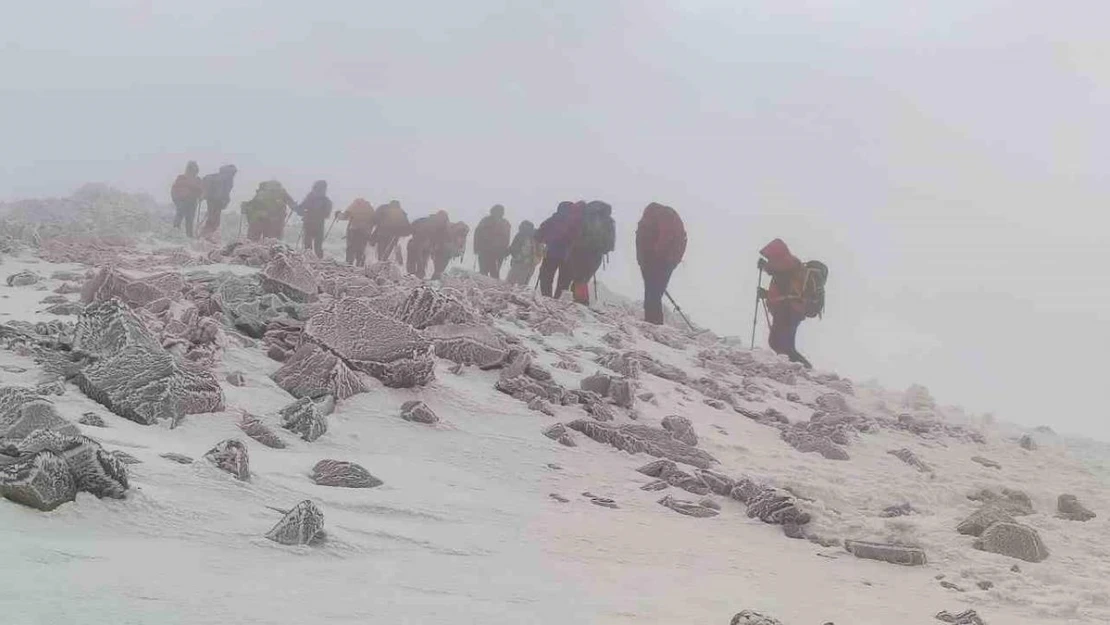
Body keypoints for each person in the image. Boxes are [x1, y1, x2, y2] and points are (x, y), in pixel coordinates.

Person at [757, 238, 812, 369]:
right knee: (780, 344)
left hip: (790, 309)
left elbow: (781, 275)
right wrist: (765, 294)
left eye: (770, 256)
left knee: (781, 344)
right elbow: (783, 289)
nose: (769, 259)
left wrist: (765, 267)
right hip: (788, 309)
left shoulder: (789, 262)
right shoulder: (785, 266)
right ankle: (801, 369)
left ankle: (805, 369)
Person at [635, 202, 687, 325]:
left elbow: (664, 237)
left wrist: (654, 256)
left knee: (652, 293)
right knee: (654, 292)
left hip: (657, 261)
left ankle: (653, 322)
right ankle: (653, 321)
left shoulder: (654, 216)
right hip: (665, 260)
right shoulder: (662, 216)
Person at [564, 200, 615, 305]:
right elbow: (611, 240)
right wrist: (605, 248)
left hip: (580, 249)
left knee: (579, 276)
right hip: (597, 252)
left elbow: (574, 231)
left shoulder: (584, 215)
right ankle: (581, 299)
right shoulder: (608, 220)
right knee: (584, 276)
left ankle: (581, 300)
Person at [535, 201, 584, 297]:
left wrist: (546, 240)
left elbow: (538, 235)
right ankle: (558, 299)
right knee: (564, 280)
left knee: (546, 276)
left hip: (552, 252)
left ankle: (546, 297)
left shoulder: (553, 219)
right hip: (569, 255)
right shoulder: (577, 222)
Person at [406, 211, 450, 278]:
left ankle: (412, 274)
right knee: (423, 260)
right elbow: (443, 236)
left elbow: (411, 226)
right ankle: (419, 275)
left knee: (414, 259)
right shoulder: (443, 223)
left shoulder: (424, 220)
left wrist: (414, 234)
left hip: (416, 242)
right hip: (427, 244)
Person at [473, 204, 511, 279]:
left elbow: (477, 234)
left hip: (491, 252)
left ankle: (488, 289)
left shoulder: (486, 221)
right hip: (490, 252)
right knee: (488, 273)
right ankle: (486, 288)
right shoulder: (504, 223)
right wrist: (476, 248)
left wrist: (476, 248)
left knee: (489, 273)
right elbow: (477, 234)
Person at [199, 164, 237, 239]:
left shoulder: (218, 177)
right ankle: (204, 236)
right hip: (217, 202)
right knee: (214, 221)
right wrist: (223, 201)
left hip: (212, 201)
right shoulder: (226, 178)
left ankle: (204, 236)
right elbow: (224, 192)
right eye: (234, 172)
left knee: (212, 220)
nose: (234, 174)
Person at [297, 180, 332, 258]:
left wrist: (302, 211)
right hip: (319, 225)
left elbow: (300, 209)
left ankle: (307, 262)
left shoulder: (309, 197)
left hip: (308, 223)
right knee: (318, 247)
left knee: (307, 246)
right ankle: (318, 263)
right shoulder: (326, 200)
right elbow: (327, 215)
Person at [337, 198, 376, 266]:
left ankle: (349, 263)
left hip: (353, 230)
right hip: (365, 232)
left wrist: (338, 214)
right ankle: (360, 264)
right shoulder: (370, 208)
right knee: (361, 248)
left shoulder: (353, 206)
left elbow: (344, 217)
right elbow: (374, 220)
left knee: (351, 248)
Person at [170, 161, 204, 238]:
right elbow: (175, 190)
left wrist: (201, 195)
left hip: (191, 201)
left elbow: (201, 190)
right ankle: (176, 233)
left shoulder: (197, 180)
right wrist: (177, 200)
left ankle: (188, 236)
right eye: (192, 169)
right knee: (180, 215)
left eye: (195, 169)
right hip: (183, 201)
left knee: (189, 219)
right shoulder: (181, 178)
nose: (193, 171)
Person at [506, 220, 540, 287]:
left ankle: (508, 295)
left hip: (522, 262)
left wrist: (511, 253)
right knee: (522, 285)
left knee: (510, 282)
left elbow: (514, 248)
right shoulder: (536, 237)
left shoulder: (521, 235)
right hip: (527, 263)